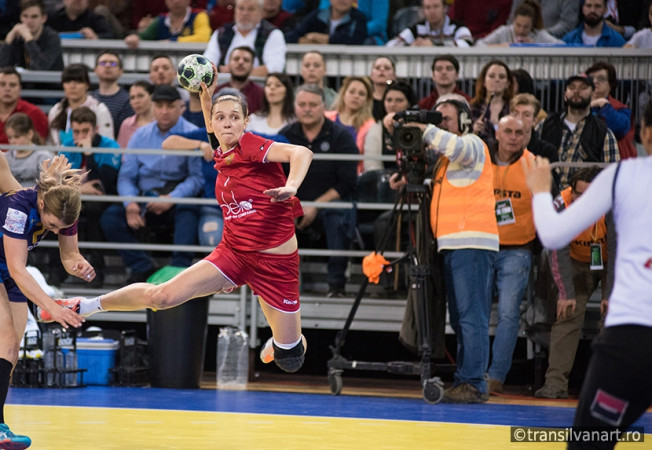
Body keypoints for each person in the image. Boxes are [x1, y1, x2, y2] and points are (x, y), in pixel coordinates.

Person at [41, 72, 315, 376]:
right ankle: (84, 306)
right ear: (212, 122)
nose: (227, 123)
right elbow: (209, 127)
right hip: (234, 254)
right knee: (162, 296)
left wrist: (292, 186)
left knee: (290, 360)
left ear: (245, 122)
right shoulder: (220, 151)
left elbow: (300, 152)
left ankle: (282, 342)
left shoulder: (252, 145)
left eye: (234, 117)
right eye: (220, 117)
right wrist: (206, 94)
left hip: (276, 265)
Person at [522, 98, 652, 450]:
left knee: (590, 442)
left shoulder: (624, 175)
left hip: (635, 335)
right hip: (612, 300)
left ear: (644, 133)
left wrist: (538, 190)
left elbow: (551, 235)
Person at [389, 93, 498, 403]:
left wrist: (423, 127)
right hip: (455, 244)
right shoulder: (446, 162)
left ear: (463, 121)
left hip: (472, 243)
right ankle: (468, 380)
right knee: (462, 318)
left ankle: (474, 383)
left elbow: (456, 145)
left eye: (445, 119)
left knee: (471, 317)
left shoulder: (473, 144)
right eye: (435, 120)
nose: (438, 126)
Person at [0, 156, 89, 449]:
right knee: (6, 339)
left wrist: (79, 264)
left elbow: (68, 256)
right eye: (51, 225)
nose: (53, 230)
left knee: (10, 351)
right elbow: (17, 268)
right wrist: (49, 305)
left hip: (8, 272)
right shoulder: (17, 207)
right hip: (8, 268)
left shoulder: (64, 210)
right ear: (41, 205)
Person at [99, 85, 204, 283]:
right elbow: (126, 176)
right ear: (153, 107)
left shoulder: (192, 133)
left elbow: (196, 178)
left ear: (181, 107)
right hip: (144, 196)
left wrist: (172, 198)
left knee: (190, 211)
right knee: (111, 218)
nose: (164, 111)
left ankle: (179, 271)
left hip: (175, 196)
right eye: (160, 106)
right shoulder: (139, 135)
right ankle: (142, 267)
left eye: (170, 106)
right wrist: (130, 203)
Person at [533, 167, 612, 400]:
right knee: (567, 314)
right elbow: (558, 252)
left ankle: (608, 387)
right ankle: (555, 384)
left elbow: (620, 249)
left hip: (612, 261)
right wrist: (566, 292)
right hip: (575, 261)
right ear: (571, 191)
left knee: (614, 316)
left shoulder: (614, 202)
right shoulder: (561, 205)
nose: (584, 201)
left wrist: (610, 294)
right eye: (579, 195)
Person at [279, 84, 358, 298]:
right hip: (293, 202)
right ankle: (286, 286)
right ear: (294, 106)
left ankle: (336, 285)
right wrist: (293, 203)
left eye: (312, 105)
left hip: (329, 203)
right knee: (274, 214)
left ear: (323, 106)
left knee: (337, 215)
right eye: (302, 104)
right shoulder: (284, 136)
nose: (307, 109)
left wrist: (315, 205)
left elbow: (347, 182)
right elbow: (275, 176)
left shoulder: (341, 137)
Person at [486, 115, 536, 395]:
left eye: (520, 132)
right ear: (498, 132)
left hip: (518, 250)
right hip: (482, 246)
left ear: (527, 135)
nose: (514, 136)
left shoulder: (534, 165)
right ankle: (472, 372)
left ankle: (496, 376)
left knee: (508, 314)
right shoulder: (481, 160)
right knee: (475, 313)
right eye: (508, 131)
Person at [58, 107, 121, 287]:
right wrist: (81, 189)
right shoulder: (68, 146)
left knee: (93, 211)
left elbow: (103, 185)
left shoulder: (110, 146)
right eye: (76, 131)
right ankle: (58, 271)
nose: (80, 136)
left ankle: (96, 271)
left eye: (85, 131)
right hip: (74, 198)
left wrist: (89, 153)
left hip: (103, 200)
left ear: (95, 129)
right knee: (59, 211)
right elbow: (60, 181)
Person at [537, 73, 620, 189]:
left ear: (593, 94)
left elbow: (613, 175)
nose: (576, 91)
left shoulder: (603, 133)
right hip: (546, 195)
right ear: (565, 95)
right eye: (572, 87)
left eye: (583, 88)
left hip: (584, 200)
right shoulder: (544, 125)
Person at [204, 0, 287, 76]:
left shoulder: (273, 34)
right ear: (235, 10)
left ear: (261, 12)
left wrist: (236, 72)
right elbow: (207, 64)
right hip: (223, 86)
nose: (245, 13)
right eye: (241, 8)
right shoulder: (221, 32)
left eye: (251, 9)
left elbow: (275, 68)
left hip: (260, 88)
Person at [47, 63, 114, 146]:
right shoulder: (56, 110)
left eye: (78, 82)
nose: (72, 86)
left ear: (87, 85)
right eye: (68, 82)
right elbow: (51, 144)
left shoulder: (100, 110)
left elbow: (107, 144)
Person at [586, 61, 637, 159]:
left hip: (614, 164)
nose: (595, 81)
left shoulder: (621, 109)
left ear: (611, 84)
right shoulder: (579, 106)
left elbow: (620, 129)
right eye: (591, 78)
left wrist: (604, 106)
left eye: (601, 78)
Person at [363, 80, 415, 173]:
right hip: (382, 179)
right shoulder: (376, 129)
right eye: (389, 100)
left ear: (409, 103)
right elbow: (371, 166)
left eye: (399, 100)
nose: (393, 104)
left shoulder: (417, 127)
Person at [325, 76, 375, 167]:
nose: (356, 96)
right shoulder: (325, 118)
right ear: (344, 94)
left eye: (361, 94)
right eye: (352, 92)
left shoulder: (370, 125)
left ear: (367, 100)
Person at [0, 0, 64, 71]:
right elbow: (2, 67)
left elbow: (41, 67)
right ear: (20, 17)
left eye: (34, 16)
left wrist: (29, 39)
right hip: (21, 81)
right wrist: (8, 40)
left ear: (43, 18)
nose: (29, 21)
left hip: (48, 81)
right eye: (25, 16)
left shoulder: (52, 38)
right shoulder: (17, 37)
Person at [124, 0, 211, 49]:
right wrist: (134, 38)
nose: (176, 1)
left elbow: (203, 38)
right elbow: (143, 37)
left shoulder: (199, 16)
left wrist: (172, 42)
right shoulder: (160, 20)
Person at [386, 0, 473, 47]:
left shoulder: (457, 27)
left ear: (445, 8)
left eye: (436, 6)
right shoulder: (417, 29)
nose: (432, 11)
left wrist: (434, 45)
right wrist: (411, 46)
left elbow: (467, 44)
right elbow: (391, 45)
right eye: (428, 7)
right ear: (423, 10)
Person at [476, 0, 562, 46]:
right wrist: (502, 46)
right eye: (518, 25)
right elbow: (479, 44)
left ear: (532, 25)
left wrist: (536, 46)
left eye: (526, 27)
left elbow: (562, 46)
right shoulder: (504, 31)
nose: (521, 30)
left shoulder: (538, 34)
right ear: (513, 20)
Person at [470, 60, 513, 148]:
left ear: (507, 83)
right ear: (484, 82)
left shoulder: (514, 109)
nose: (497, 80)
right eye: (491, 76)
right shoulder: (472, 108)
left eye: (501, 77)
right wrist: (474, 131)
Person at [0, 67, 48, 145]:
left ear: (20, 89)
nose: (7, 89)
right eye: (2, 84)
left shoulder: (35, 113)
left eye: (12, 85)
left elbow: (40, 146)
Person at [285, 0, 367, 45]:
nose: (342, 0)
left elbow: (352, 40)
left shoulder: (359, 18)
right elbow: (291, 36)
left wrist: (315, 37)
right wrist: (306, 42)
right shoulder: (317, 15)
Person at [4, 113, 54, 186]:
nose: (12, 141)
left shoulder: (43, 157)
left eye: (17, 137)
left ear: (30, 134)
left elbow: (48, 187)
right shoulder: (5, 158)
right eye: (10, 137)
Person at [91, 51, 133, 134]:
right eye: (103, 63)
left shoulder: (128, 101)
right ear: (95, 70)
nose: (107, 66)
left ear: (121, 71)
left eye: (113, 64)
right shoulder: (89, 98)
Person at [214, 46, 264, 114]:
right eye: (236, 59)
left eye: (246, 60)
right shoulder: (216, 92)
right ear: (228, 64)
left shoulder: (261, 95)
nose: (241, 62)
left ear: (252, 67)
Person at [509, 93, 557, 163]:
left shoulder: (547, 152)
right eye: (515, 114)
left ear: (534, 120)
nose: (519, 119)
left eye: (526, 115)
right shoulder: (499, 149)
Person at [317, 0, 388, 44]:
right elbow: (321, 16)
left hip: (368, 36)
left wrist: (354, 32)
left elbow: (379, 24)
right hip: (331, 34)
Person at [561, 0, 626, 47]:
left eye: (597, 6)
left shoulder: (617, 41)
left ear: (605, 9)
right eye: (589, 6)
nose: (592, 10)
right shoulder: (569, 40)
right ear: (583, 8)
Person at [508, 0, 580, 38]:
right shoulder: (503, 32)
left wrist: (541, 35)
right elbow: (512, 18)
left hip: (552, 43)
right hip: (516, 41)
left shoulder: (542, 36)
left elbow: (568, 23)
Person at [46, 0, 115, 39]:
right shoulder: (51, 17)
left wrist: (95, 36)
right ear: (64, 1)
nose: (78, 0)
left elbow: (111, 36)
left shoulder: (95, 18)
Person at [117, 80, 155, 148]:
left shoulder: (162, 123)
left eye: (140, 96)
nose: (136, 101)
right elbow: (121, 153)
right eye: (132, 98)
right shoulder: (126, 124)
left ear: (151, 97)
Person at [447, 0, 512, 39]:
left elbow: (498, 27)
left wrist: (479, 39)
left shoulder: (505, 1)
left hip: (489, 40)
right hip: (461, 36)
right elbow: (453, 19)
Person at [369, 56, 397, 121]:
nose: (382, 70)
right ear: (371, 74)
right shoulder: (364, 99)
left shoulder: (401, 98)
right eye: (377, 68)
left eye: (387, 68)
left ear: (394, 75)